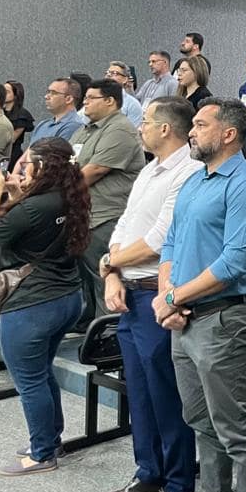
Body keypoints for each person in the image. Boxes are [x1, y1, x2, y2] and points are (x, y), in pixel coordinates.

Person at [154, 100, 246, 492]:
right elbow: (170, 243)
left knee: (236, 429)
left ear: (228, 134)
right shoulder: (195, 180)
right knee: (201, 422)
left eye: (201, 124)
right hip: (184, 318)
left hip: (223, 320)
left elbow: (234, 264)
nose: (191, 131)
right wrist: (166, 296)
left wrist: (173, 297)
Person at [96, 97, 201, 492]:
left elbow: (160, 239)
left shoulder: (188, 172)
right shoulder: (148, 169)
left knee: (166, 397)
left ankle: (178, 489)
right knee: (139, 394)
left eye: (146, 121)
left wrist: (111, 263)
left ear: (165, 129)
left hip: (157, 296)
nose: (139, 127)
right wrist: (111, 274)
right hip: (129, 293)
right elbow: (123, 224)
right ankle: (149, 472)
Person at [0, 136, 91, 474]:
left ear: (42, 166)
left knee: (29, 380)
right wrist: (17, 194)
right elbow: (33, 227)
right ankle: (50, 439)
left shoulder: (34, 207)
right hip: (67, 297)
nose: (22, 169)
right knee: (41, 373)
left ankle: (42, 453)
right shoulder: (68, 198)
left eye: (27, 163)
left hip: (33, 303)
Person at [72, 79, 147, 325]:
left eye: (91, 98)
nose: (85, 102)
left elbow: (94, 171)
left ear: (110, 101)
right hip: (84, 214)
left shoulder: (119, 130)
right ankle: (89, 325)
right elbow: (69, 163)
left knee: (105, 277)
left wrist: (56, 191)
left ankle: (107, 332)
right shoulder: (85, 130)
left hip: (107, 216)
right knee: (87, 276)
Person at [31, 78, 84, 144]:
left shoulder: (74, 125)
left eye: (53, 93)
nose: (46, 96)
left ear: (69, 99)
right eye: (48, 92)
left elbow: (58, 150)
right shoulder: (42, 124)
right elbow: (29, 149)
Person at [2, 80, 35, 169]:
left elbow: (12, 138)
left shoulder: (22, 115)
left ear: (16, 95)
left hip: (12, 154)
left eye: (7, 92)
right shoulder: (0, 112)